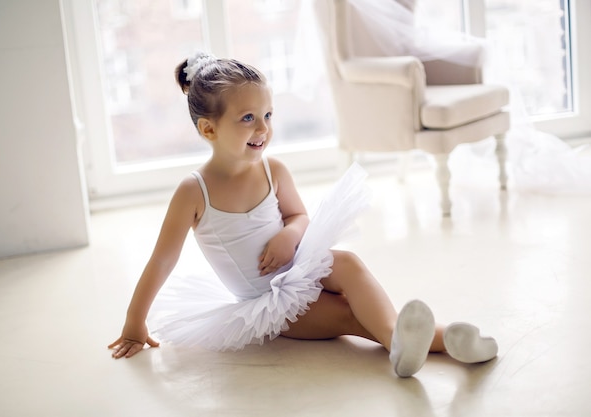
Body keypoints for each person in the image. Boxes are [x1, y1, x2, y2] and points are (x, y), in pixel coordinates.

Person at [108, 52, 498, 377]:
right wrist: (134, 322)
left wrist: (287, 235)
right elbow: (163, 259)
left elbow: (299, 217)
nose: (262, 128)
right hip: (268, 301)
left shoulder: (273, 170)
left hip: (299, 266)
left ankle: (411, 336)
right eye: (247, 118)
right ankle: (442, 340)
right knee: (345, 315)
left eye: (268, 115)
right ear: (209, 130)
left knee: (346, 262)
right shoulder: (194, 191)